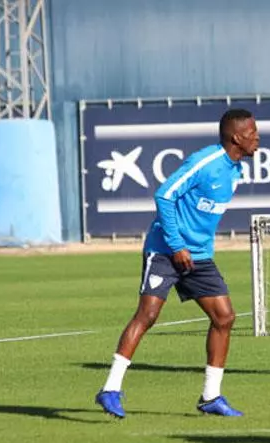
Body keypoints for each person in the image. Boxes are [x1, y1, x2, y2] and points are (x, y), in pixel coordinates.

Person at [94, 108, 260, 418]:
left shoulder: (235, 169)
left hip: (198, 256)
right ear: (237, 138)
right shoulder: (205, 162)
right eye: (252, 133)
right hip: (165, 250)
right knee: (148, 314)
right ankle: (110, 389)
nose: (257, 138)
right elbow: (164, 195)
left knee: (224, 317)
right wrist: (176, 244)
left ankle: (211, 397)